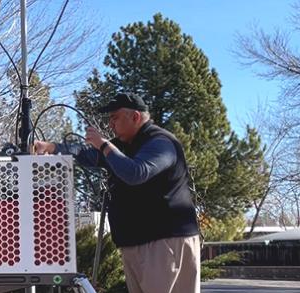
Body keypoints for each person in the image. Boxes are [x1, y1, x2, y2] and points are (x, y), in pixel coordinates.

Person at [33, 93, 201, 293]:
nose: (111, 124)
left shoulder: (161, 142)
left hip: (163, 242)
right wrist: (52, 147)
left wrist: (104, 145)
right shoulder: (123, 145)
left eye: (115, 117)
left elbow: (136, 173)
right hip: (137, 243)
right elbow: (87, 155)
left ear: (135, 117)